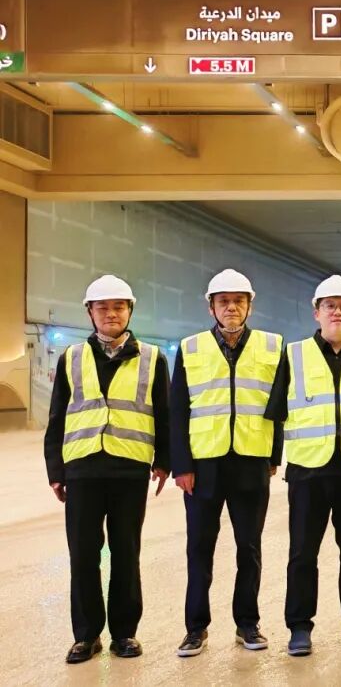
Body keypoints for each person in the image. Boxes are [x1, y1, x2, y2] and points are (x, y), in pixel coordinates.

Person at [43, 275, 170, 664]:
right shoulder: (71, 358)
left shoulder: (152, 358)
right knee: (83, 555)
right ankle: (86, 636)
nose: (111, 314)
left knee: (126, 552)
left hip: (129, 469)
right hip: (82, 469)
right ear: (90, 313)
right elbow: (57, 417)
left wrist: (164, 462)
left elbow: (164, 414)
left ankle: (124, 633)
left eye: (118, 307)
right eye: (103, 308)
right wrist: (56, 470)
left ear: (130, 311)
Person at [264, 274, 341, 656]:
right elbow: (276, 414)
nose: (337, 312)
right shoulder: (293, 355)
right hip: (307, 472)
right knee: (303, 553)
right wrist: (271, 462)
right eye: (329, 306)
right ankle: (299, 626)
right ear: (316, 313)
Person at [170, 269, 284, 656]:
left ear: (250, 306)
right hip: (203, 465)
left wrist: (273, 456)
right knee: (199, 549)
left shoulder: (272, 346)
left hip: (252, 461)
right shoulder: (190, 348)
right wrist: (181, 465)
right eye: (223, 301)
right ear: (211, 307)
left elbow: (278, 406)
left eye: (238, 301)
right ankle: (195, 628)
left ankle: (247, 625)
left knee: (249, 548)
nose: (231, 307)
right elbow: (177, 410)